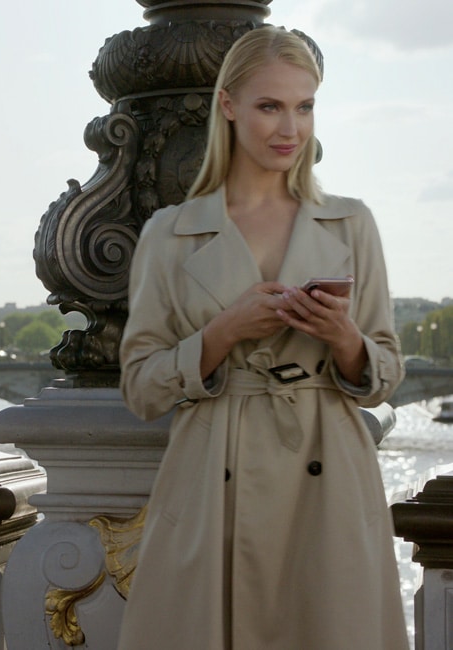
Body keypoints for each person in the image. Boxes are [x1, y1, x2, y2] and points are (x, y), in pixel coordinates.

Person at [117, 26, 408, 649]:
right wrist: (221, 334)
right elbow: (140, 388)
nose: (290, 129)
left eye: (305, 107)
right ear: (228, 105)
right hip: (212, 482)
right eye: (270, 106)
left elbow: (385, 371)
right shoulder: (170, 233)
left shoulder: (352, 223)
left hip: (329, 483)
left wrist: (344, 338)